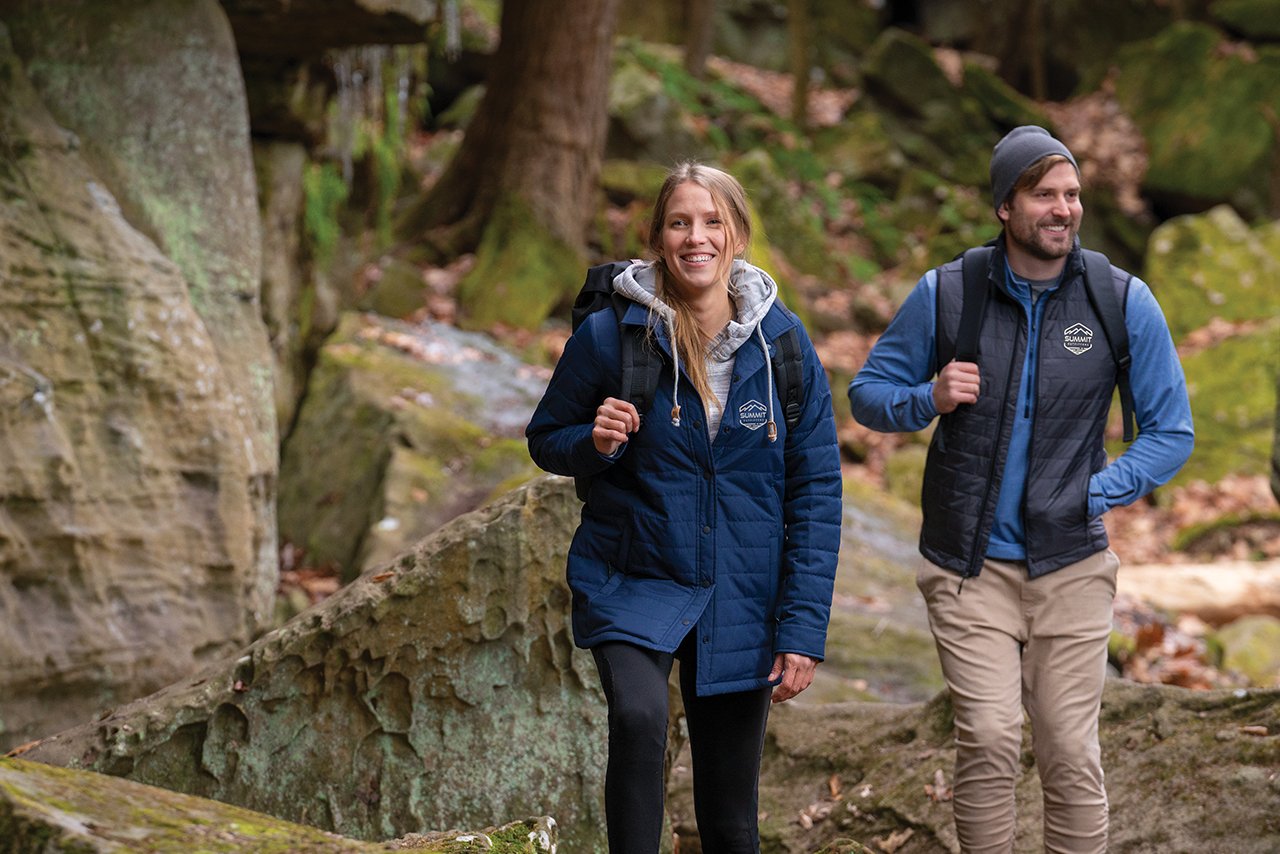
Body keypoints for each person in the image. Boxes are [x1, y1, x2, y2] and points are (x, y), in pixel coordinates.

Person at [848, 126, 1194, 853]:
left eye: (1072, 195)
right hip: (966, 565)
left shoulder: (1118, 299)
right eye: (1046, 195)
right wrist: (930, 397)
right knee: (992, 736)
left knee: (1068, 750)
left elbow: (1173, 431)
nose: (1064, 208)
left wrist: (1102, 490)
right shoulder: (949, 292)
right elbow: (868, 393)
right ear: (1006, 205)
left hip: (1072, 565)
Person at [527, 162, 842, 853]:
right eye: (679, 222)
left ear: (736, 236)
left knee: (730, 813)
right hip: (632, 571)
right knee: (638, 720)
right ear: (658, 237)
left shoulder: (783, 345)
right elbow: (547, 439)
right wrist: (597, 440)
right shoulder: (611, 337)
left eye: (711, 222)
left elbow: (816, 491)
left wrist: (801, 627)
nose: (695, 238)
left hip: (742, 589)